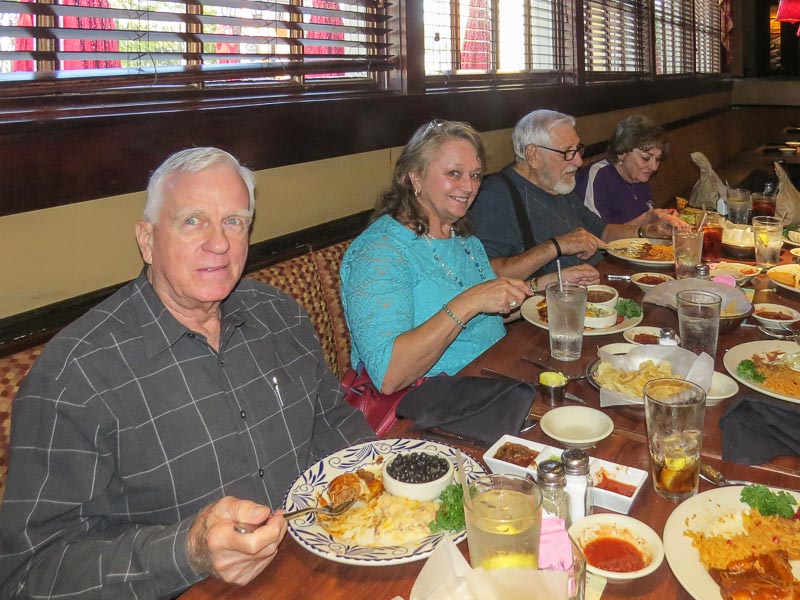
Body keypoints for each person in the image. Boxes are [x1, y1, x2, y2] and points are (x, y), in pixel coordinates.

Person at [0, 148, 374, 599]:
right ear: (146, 239)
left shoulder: (280, 315)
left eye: (234, 221)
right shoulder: (75, 375)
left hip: (323, 569)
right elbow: (27, 575)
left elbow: (333, 425)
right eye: (193, 220)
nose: (219, 243)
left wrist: (387, 484)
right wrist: (187, 550)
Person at [340, 119, 539, 395]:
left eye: (475, 175)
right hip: (423, 408)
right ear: (415, 177)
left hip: (493, 383)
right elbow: (389, 375)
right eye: (454, 173)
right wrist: (470, 301)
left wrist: (544, 292)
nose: (469, 187)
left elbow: (484, 317)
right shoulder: (379, 252)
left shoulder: (463, 238)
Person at [470, 109, 688, 280]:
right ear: (533, 155)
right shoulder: (497, 195)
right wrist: (556, 246)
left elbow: (602, 231)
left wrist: (647, 231)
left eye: (578, 149)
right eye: (568, 152)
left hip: (598, 283)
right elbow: (486, 274)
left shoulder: (558, 186)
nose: (578, 161)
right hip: (546, 312)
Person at [576, 114, 677, 225]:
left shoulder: (639, 177)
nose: (654, 167)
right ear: (622, 153)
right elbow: (596, 236)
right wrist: (646, 221)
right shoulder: (599, 177)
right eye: (645, 158)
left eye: (657, 159)